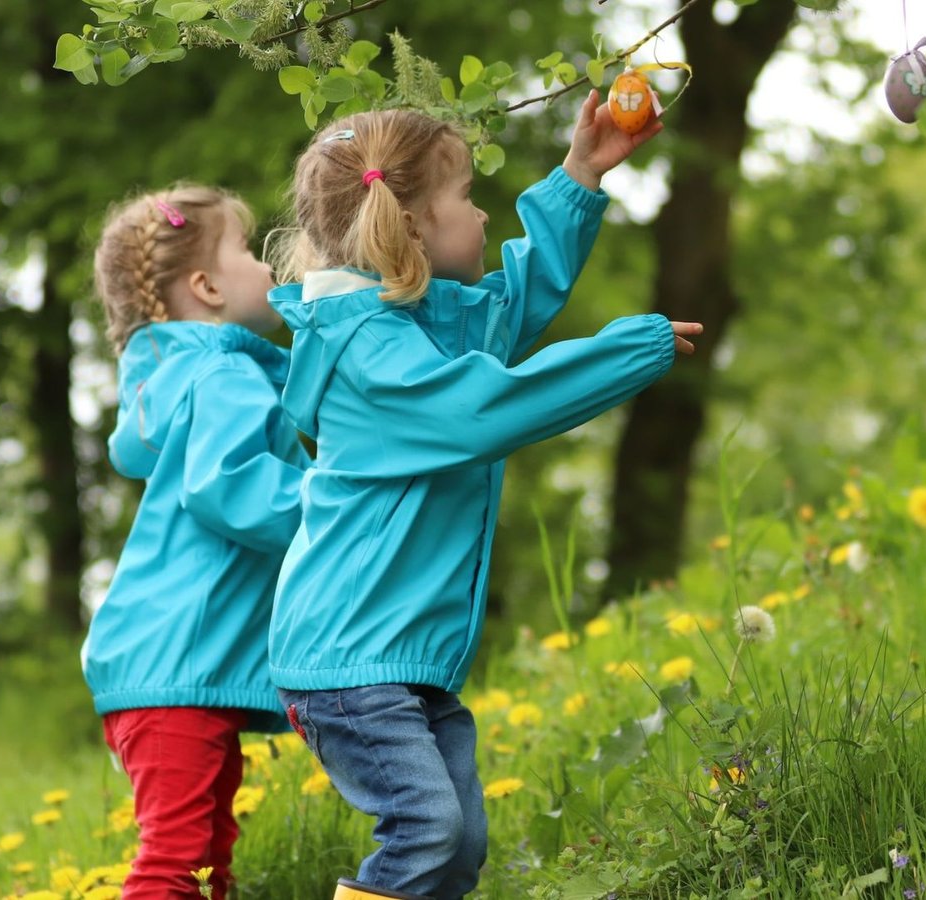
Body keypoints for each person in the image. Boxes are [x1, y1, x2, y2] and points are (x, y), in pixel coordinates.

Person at [266, 93, 700, 900]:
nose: (481, 211)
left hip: (398, 657)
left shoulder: (412, 328)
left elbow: (505, 311)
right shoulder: (372, 354)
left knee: (457, 848)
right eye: (465, 197)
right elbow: (481, 409)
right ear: (411, 228)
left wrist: (579, 178)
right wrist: (627, 350)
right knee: (428, 830)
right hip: (347, 662)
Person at [83, 184, 310, 899]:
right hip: (175, 666)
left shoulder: (184, 380)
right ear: (206, 286)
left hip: (166, 668)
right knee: (176, 858)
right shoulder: (222, 373)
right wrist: (333, 501)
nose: (268, 266)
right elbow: (228, 486)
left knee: (207, 851)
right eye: (247, 250)